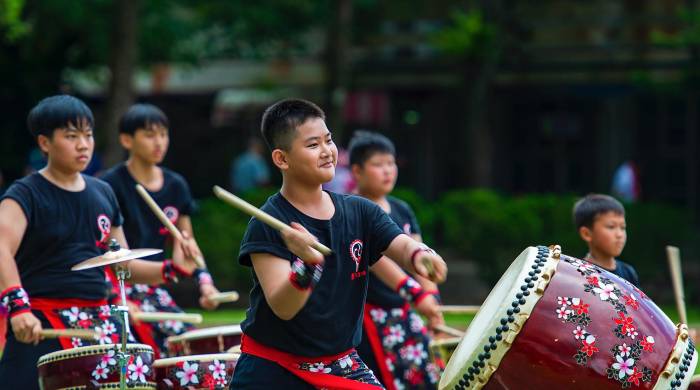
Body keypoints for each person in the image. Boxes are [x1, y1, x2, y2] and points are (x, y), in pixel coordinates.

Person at [230, 98, 447, 389]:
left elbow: (402, 246)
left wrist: (421, 255)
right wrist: (307, 266)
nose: (327, 152)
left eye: (328, 140)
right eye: (312, 145)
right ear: (282, 159)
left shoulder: (359, 211)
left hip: (340, 363)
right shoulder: (268, 224)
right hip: (274, 369)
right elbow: (284, 307)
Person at [0, 95, 198, 389]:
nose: (83, 144)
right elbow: (2, 248)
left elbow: (122, 262)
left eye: (88, 135)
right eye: (71, 136)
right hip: (43, 320)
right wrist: (19, 308)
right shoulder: (25, 194)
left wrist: (173, 270)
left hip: (101, 322)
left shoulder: (103, 192)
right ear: (45, 143)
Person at [101, 103, 220, 357]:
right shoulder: (109, 185)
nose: (159, 142)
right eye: (149, 134)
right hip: (116, 287)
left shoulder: (176, 186)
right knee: (134, 357)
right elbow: (102, 254)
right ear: (126, 140)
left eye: (163, 134)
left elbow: (187, 243)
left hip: (154, 285)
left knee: (190, 350)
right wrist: (115, 297)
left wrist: (206, 284)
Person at [349, 130, 444, 389]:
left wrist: (433, 302)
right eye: (378, 165)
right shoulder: (351, 209)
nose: (387, 171)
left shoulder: (402, 208)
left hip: (403, 311)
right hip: (367, 315)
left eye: (390, 163)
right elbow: (374, 259)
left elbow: (419, 259)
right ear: (357, 171)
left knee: (426, 379)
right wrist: (415, 294)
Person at [573, 193, 639, 287]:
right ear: (586, 234)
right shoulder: (578, 273)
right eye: (611, 227)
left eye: (622, 227)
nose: (620, 234)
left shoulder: (628, 272)